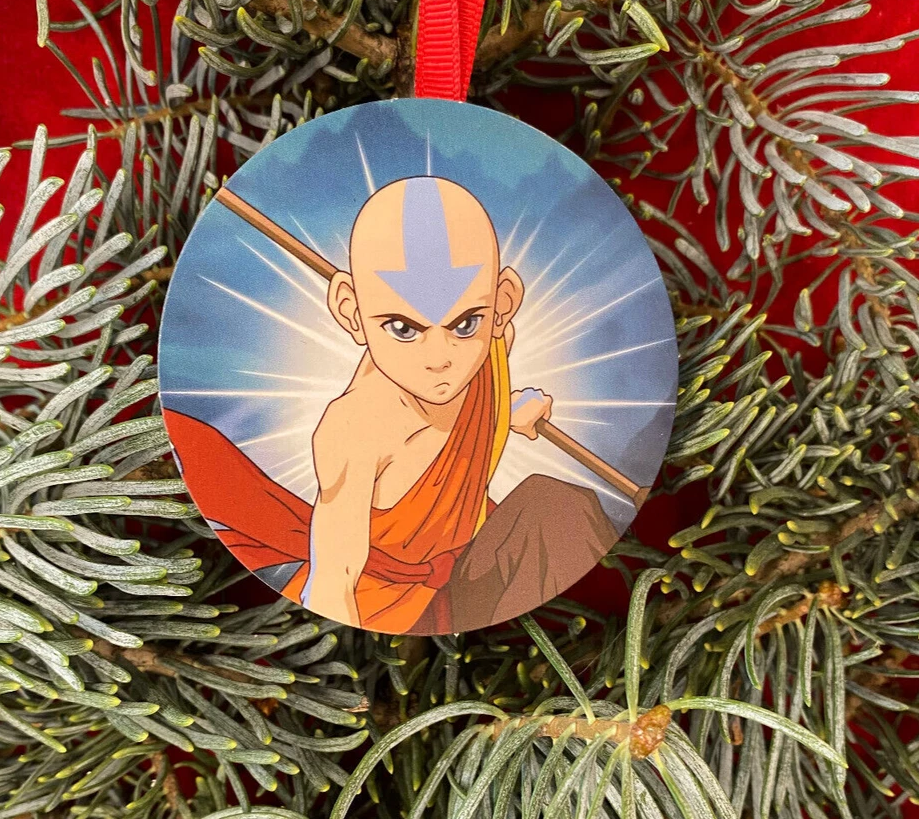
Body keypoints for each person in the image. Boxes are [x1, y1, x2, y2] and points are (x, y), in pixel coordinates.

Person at [164, 176, 618, 635]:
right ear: (350, 311)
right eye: (403, 328)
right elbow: (336, 574)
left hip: (471, 567)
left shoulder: (489, 348)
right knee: (557, 508)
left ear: (502, 304)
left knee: (562, 506)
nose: (439, 358)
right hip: (390, 609)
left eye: (464, 324)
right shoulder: (355, 427)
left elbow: (478, 413)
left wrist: (507, 412)